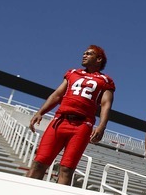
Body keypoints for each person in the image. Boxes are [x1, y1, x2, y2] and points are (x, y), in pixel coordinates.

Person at [27, 45, 115, 185]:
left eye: (89, 53)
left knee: (67, 169)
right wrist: (41, 112)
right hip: (60, 121)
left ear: (98, 59)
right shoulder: (73, 73)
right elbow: (57, 95)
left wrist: (102, 126)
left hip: (82, 125)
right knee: (39, 163)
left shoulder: (105, 81)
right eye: (84, 53)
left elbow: (106, 104)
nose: (84, 55)